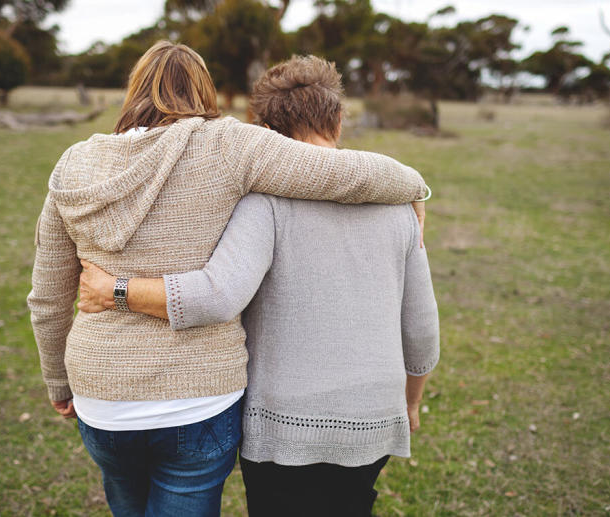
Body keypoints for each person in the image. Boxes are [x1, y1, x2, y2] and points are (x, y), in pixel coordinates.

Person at [26, 42, 431, 517]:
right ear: (204, 91)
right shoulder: (227, 144)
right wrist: (414, 186)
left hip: (102, 394)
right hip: (199, 397)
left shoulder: (74, 163)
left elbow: (48, 298)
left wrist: (59, 382)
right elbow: (341, 174)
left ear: (132, 89)